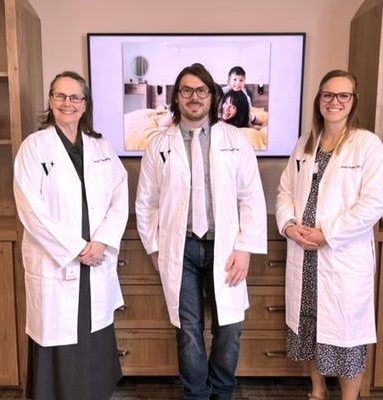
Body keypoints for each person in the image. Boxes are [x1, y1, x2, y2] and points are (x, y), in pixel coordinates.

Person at [136, 63, 267, 400]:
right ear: (177, 98)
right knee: (189, 331)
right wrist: (155, 249)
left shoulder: (235, 139)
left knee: (229, 328)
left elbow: (251, 196)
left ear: (212, 96)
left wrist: (245, 248)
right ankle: (195, 395)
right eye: (186, 91)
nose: (194, 97)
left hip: (225, 248)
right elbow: (146, 202)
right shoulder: (158, 144)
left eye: (201, 91)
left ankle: (222, 393)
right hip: (180, 250)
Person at [14, 71, 128, 400]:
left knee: (93, 333)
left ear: (85, 104)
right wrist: (78, 248)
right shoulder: (33, 147)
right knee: (58, 334)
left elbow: (120, 194)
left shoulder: (101, 146)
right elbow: (31, 210)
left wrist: (103, 241)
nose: (68, 103)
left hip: (96, 258)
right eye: (61, 96)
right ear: (50, 101)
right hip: (59, 260)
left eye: (75, 97)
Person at [275, 69, 383, 400]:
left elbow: (374, 204)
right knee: (311, 327)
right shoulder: (305, 143)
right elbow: (284, 191)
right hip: (304, 254)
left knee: (346, 336)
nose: (334, 102)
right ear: (319, 100)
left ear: (353, 102)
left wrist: (327, 234)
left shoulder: (366, 144)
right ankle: (317, 392)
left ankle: (349, 398)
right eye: (328, 95)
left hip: (341, 256)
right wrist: (290, 225)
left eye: (343, 96)